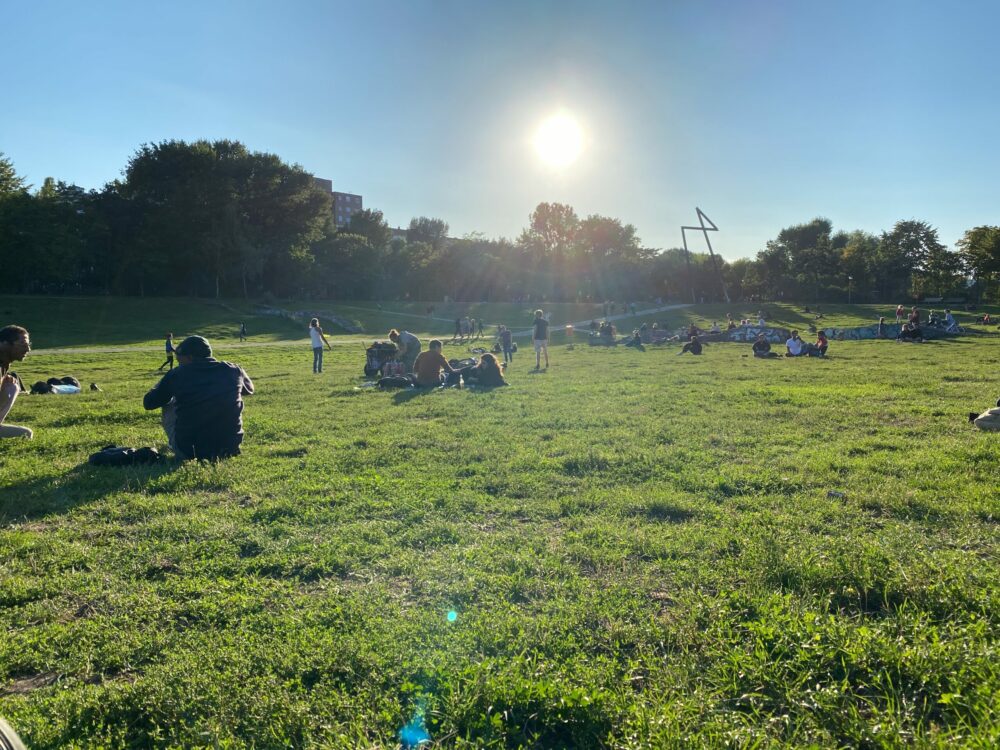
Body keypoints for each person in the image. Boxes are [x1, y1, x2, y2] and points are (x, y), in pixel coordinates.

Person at [143, 335, 254, 460]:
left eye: (179, 361)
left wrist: (161, 384)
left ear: (190, 357)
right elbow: (249, 390)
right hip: (230, 448)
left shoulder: (177, 374)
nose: (179, 365)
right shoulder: (233, 370)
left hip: (190, 450)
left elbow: (149, 403)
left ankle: (175, 444)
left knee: (168, 402)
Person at [0, 325, 32, 439]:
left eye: (28, 345)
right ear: (4, 344)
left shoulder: (4, 363)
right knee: (26, 434)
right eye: (23, 345)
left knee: (11, 385)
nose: (28, 349)